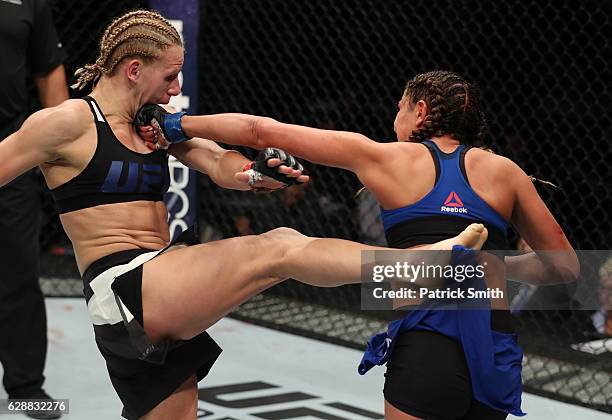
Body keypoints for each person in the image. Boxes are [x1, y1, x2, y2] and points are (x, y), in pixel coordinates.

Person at [0, 10, 488, 420]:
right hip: (123, 287)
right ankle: (416, 265)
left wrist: (259, 175)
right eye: (169, 76)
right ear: (133, 70)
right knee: (276, 246)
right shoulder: (65, 123)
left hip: (161, 288)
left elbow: (218, 162)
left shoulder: (153, 125)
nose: (175, 89)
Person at [136, 70, 580, 419]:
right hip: (493, 339)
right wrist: (494, 265)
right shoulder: (507, 172)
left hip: (428, 338)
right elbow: (566, 268)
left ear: (421, 111)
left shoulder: (384, 157)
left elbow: (257, 130)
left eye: (400, 108)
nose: (395, 118)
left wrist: (176, 124)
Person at [0, 1, 69, 418]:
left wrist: (60, 147)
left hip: (11, 152)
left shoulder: (29, 1)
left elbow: (48, 68)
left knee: (19, 273)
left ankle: (27, 388)